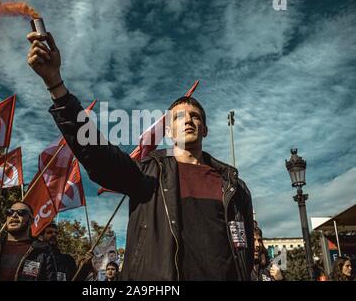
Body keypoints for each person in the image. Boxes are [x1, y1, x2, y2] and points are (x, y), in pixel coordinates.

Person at [26, 31, 254, 281]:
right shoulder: (146, 173)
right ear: (168, 130)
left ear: (205, 129)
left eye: (195, 116)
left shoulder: (233, 186)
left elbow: (244, 255)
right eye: (178, 117)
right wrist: (56, 85)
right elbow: (99, 154)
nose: (188, 120)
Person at [0, 202, 57, 281]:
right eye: (9, 212)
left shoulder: (41, 252)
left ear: (31, 221)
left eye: (21, 213)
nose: (14, 215)